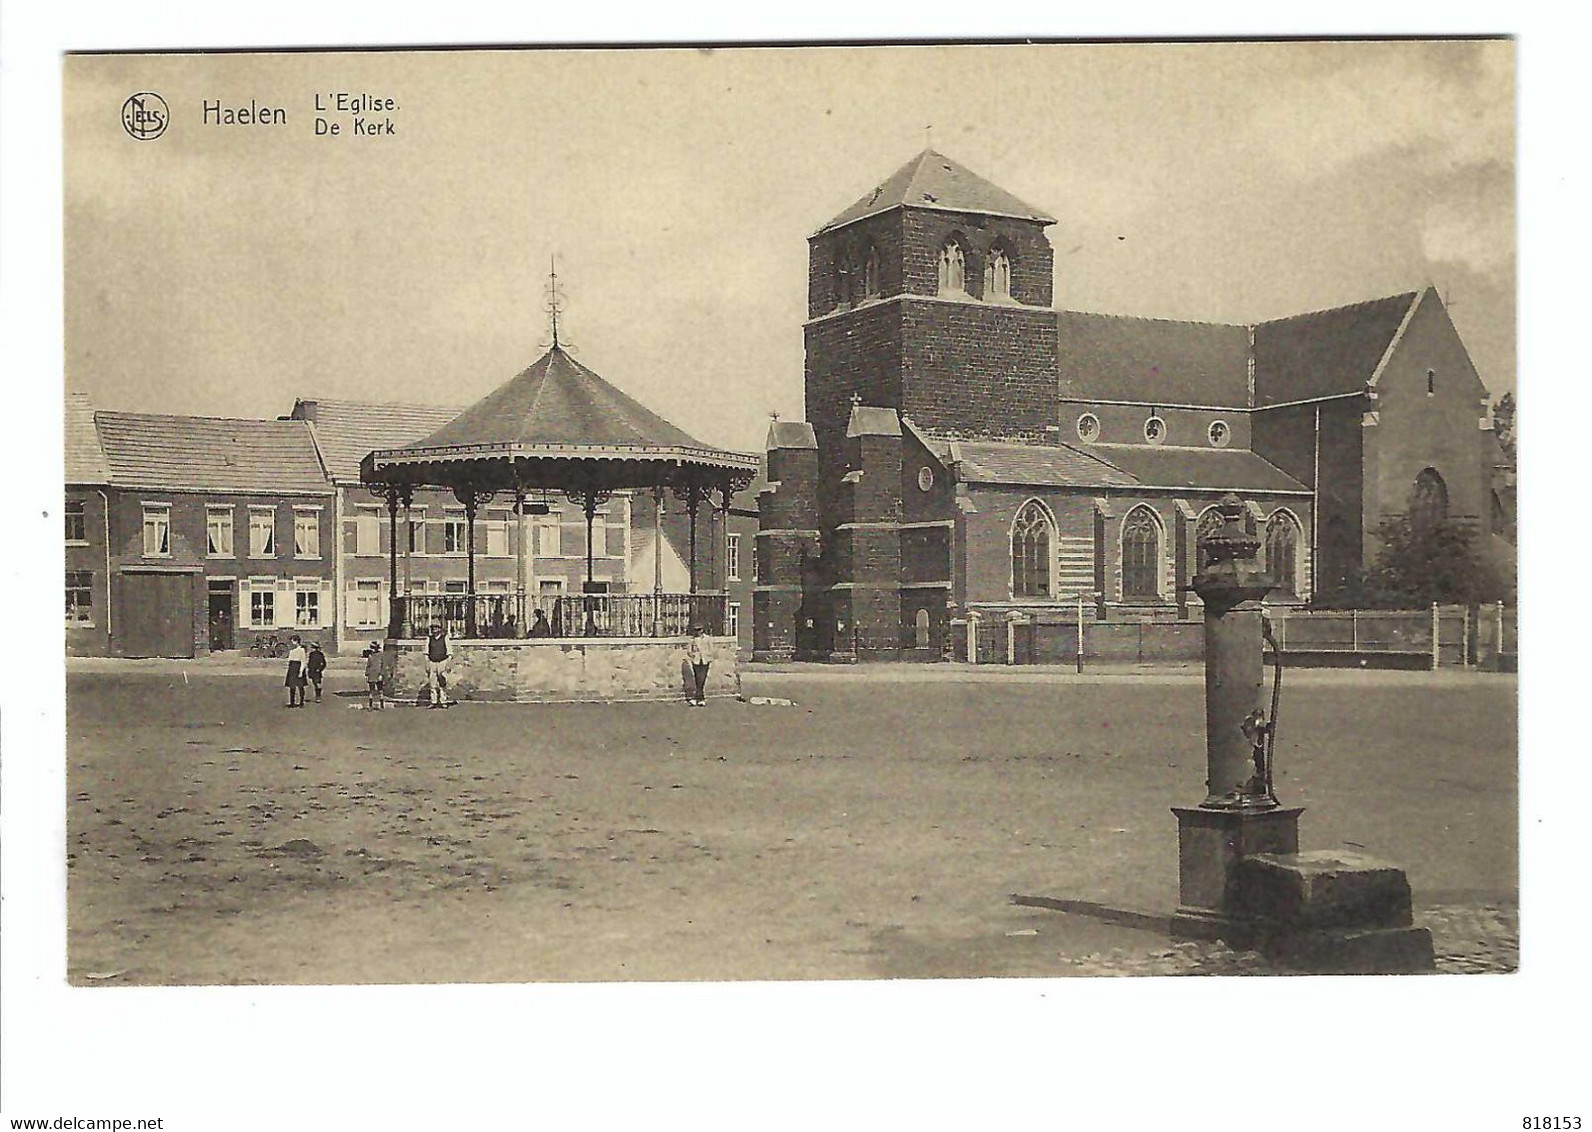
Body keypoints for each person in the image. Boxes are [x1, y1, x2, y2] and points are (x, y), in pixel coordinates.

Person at [426, 624, 452, 708]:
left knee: (442, 681)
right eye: (433, 628)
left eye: (436, 628)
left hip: (442, 661)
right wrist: (427, 663)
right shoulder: (429, 639)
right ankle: (433, 701)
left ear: (440, 629)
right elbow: (426, 652)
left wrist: (448, 663)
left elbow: (449, 652)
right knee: (432, 682)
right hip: (432, 661)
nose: (434, 630)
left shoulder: (445, 638)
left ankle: (443, 700)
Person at [686, 623, 710, 707]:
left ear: (702, 630)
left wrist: (708, 656)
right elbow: (689, 651)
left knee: (702, 678)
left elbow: (711, 649)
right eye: (696, 630)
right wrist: (693, 655)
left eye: (699, 630)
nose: (697, 632)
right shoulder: (693, 640)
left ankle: (697, 698)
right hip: (696, 661)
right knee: (697, 678)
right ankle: (701, 699)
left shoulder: (707, 639)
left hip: (705, 661)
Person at [284, 634, 307, 708]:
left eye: (293, 641)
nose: (291, 643)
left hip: (298, 667)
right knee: (292, 686)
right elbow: (289, 660)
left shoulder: (301, 650)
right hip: (292, 668)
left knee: (300, 686)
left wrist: (301, 671)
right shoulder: (292, 651)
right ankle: (292, 702)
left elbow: (303, 661)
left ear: (296, 641)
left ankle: (301, 702)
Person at [363, 643, 385, 710]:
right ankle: (370, 706)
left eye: (373, 648)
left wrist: (381, 674)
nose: (372, 650)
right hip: (371, 675)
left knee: (380, 691)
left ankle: (381, 705)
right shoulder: (370, 656)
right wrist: (367, 673)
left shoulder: (381, 656)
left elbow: (383, 666)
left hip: (378, 675)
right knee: (371, 691)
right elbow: (368, 666)